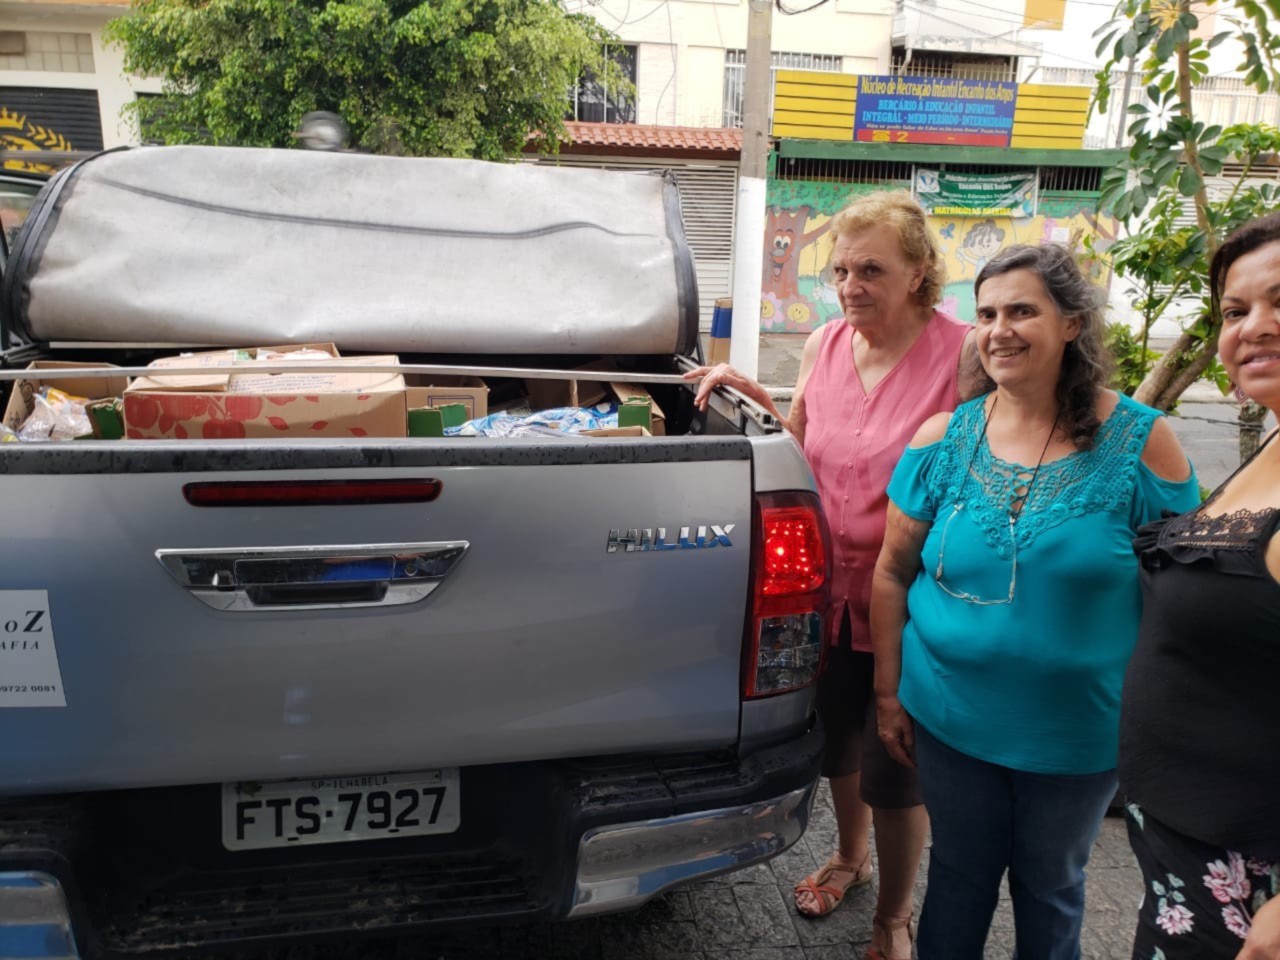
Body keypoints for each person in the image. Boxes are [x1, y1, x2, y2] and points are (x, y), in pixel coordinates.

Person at [870, 243, 1198, 960]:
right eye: (986, 314)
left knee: (1050, 886)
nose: (999, 331)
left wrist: (1166, 718)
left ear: (1072, 324)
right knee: (958, 876)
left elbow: (1182, 596)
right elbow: (892, 571)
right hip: (949, 716)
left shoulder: (1142, 443)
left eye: (1021, 311)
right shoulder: (943, 439)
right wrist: (888, 694)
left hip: (1077, 733)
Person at [687, 190, 982, 960]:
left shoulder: (962, 355)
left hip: (913, 601)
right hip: (824, 593)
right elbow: (801, 442)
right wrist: (756, 398)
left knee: (897, 763)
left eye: (871, 270)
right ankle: (851, 858)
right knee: (838, 743)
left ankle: (894, 915)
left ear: (919, 272)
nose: (851, 286)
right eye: (841, 270)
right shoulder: (823, 342)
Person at [1119, 213, 1280, 959]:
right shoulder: (1271, 443)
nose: (1255, 327)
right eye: (1236, 311)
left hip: (1251, 891)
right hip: (1186, 858)